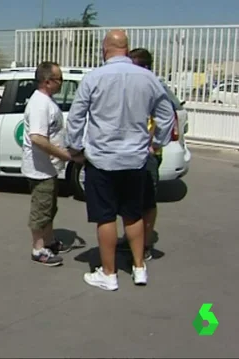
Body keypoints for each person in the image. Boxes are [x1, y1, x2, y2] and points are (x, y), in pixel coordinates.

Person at [66, 30, 175, 290]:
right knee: (133, 214)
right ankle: (139, 268)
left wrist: (75, 146)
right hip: (135, 159)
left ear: (105, 49)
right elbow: (166, 113)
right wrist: (157, 141)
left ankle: (109, 273)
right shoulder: (148, 78)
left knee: (105, 218)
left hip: (102, 159)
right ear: (126, 49)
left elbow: (76, 117)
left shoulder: (94, 78)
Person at [21, 61, 74, 266]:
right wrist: (64, 155)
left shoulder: (47, 101)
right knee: (41, 209)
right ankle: (38, 249)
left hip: (49, 167)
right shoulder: (39, 104)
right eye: (59, 79)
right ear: (47, 81)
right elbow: (37, 138)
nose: (61, 83)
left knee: (50, 207)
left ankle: (50, 241)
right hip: (39, 169)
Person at [116, 48, 166, 261]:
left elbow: (164, 117)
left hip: (146, 155)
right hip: (129, 152)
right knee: (129, 200)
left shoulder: (153, 86)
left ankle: (144, 245)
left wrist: (152, 145)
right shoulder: (135, 84)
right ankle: (131, 238)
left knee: (147, 202)